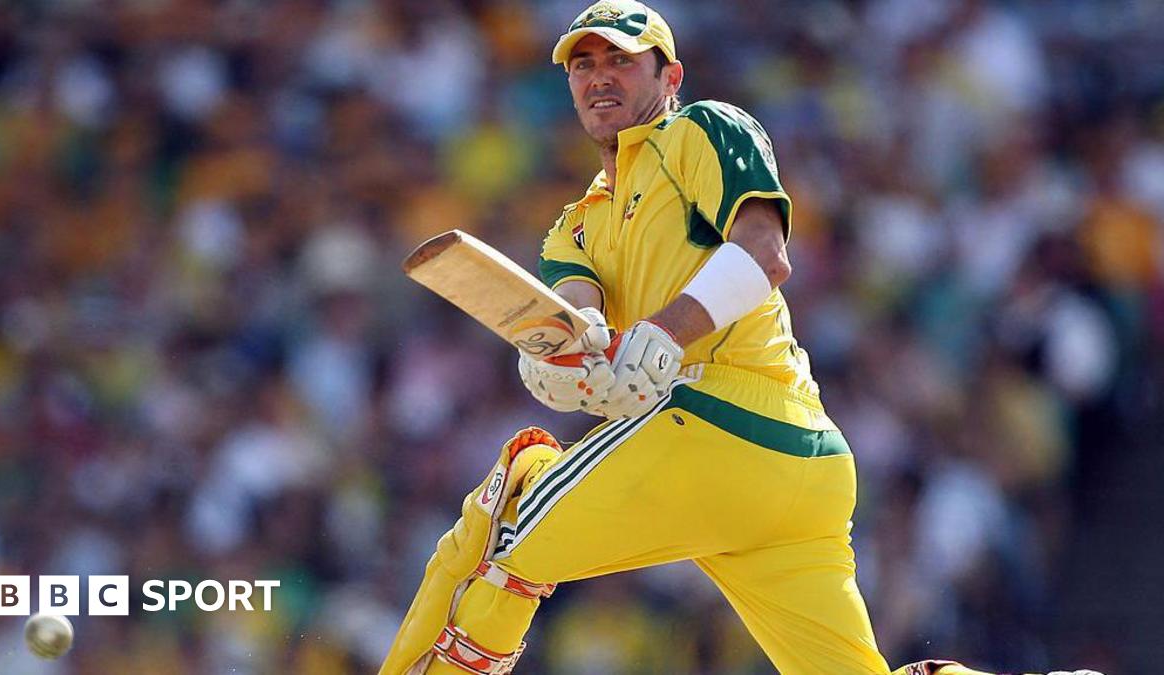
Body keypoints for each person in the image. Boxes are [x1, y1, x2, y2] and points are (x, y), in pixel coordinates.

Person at [379, 2, 1102, 674]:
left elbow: (764, 253)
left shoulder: (700, 130)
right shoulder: (575, 224)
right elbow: (574, 313)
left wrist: (661, 334)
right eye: (583, 64)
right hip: (797, 468)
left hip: (724, 420)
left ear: (670, 77)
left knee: (507, 533)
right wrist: (559, 361)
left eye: (622, 60)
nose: (600, 77)